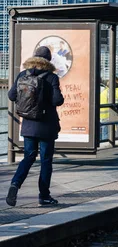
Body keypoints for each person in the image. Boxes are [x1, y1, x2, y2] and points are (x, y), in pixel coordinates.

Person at [6, 46, 64, 207]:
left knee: (28, 157)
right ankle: (44, 196)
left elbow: (11, 96)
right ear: (49, 60)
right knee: (46, 161)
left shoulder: (23, 74)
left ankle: (15, 184)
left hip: (29, 125)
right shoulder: (51, 77)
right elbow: (57, 100)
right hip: (46, 126)